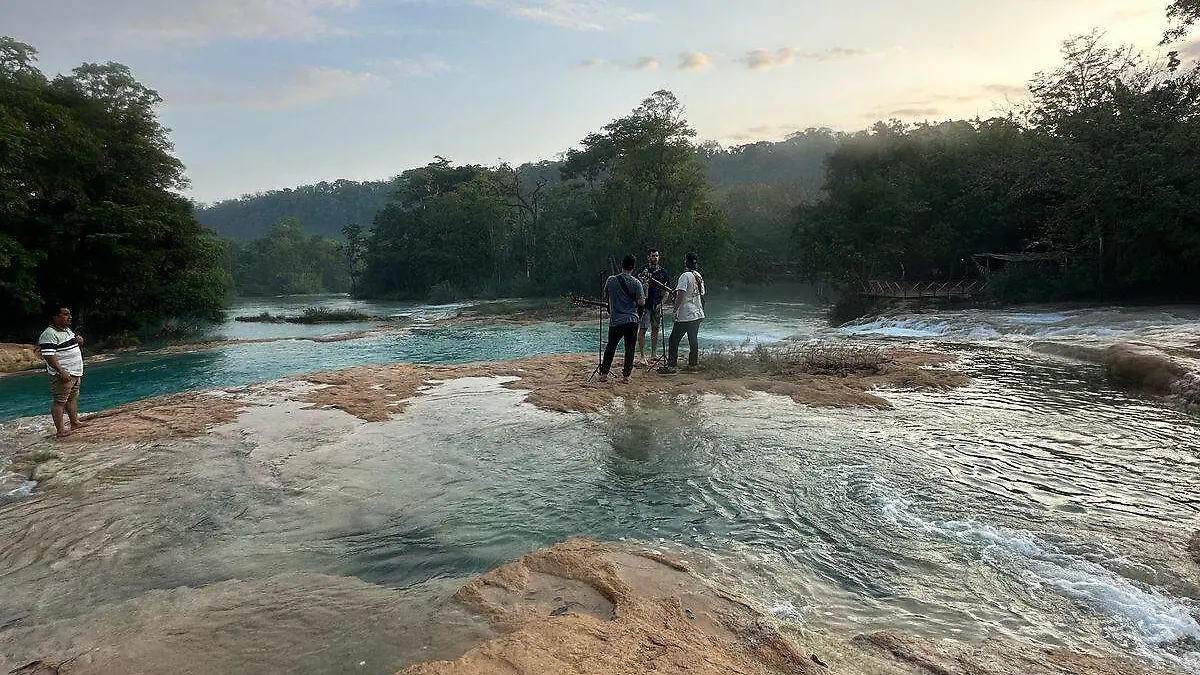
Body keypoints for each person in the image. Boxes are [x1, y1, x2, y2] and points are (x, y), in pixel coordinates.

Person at [38, 306, 87, 438]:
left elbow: (72, 345)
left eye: (69, 314)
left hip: (75, 371)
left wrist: (79, 341)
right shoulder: (49, 334)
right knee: (60, 401)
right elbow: (49, 355)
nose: (69, 317)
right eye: (65, 314)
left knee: (72, 398)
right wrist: (61, 371)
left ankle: (74, 422)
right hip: (64, 373)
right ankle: (60, 431)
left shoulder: (67, 330)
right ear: (55, 317)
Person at [599, 254, 645, 383]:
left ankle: (604, 374)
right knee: (629, 348)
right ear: (633, 267)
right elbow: (641, 303)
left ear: (621, 264)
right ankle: (626, 376)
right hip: (632, 320)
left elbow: (605, 295)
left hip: (616, 319)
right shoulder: (636, 283)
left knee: (611, 346)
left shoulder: (611, 280)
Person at [659, 252, 705, 374]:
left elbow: (681, 295)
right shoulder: (698, 276)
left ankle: (672, 366)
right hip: (697, 312)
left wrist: (675, 309)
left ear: (686, 262)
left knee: (673, 339)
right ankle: (693, 365)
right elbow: (702, 294)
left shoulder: (685, 276)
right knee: (693, 339)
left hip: (686, 313)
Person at [637, 249, 670, 363]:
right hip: (645, 304)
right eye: (653, 256)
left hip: (657, 304)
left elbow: (666, 291)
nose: (655, 258)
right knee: (643, 329)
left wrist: (661, 304)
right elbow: (637, 287)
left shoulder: (662, 272)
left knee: (655, 329)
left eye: (657, 256)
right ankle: (642, 356)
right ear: (648, 257)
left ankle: (653, 354)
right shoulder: (642, 271)